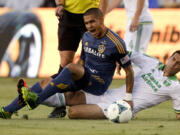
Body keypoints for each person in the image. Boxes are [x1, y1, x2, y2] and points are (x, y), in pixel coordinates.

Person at [0, 8, 134, 119]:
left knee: (70, 67)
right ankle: (7, 111)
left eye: (92, 22)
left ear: (101, 20)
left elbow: (129, 71)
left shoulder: (116, 43)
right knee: (42, 83)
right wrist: (72, 78)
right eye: (86, 23)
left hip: (98, 84)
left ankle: (37, 100)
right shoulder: (87, 36)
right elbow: (82, 59)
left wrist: (128, 98)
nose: (89, 26)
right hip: (83, 77)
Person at [47, 0, 109, 118]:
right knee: (65, 62)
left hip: (90, 16)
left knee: (89, 60)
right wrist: (60, 4)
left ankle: (85, 100)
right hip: (68, 16)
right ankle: (60, 103)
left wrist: (100, 19)